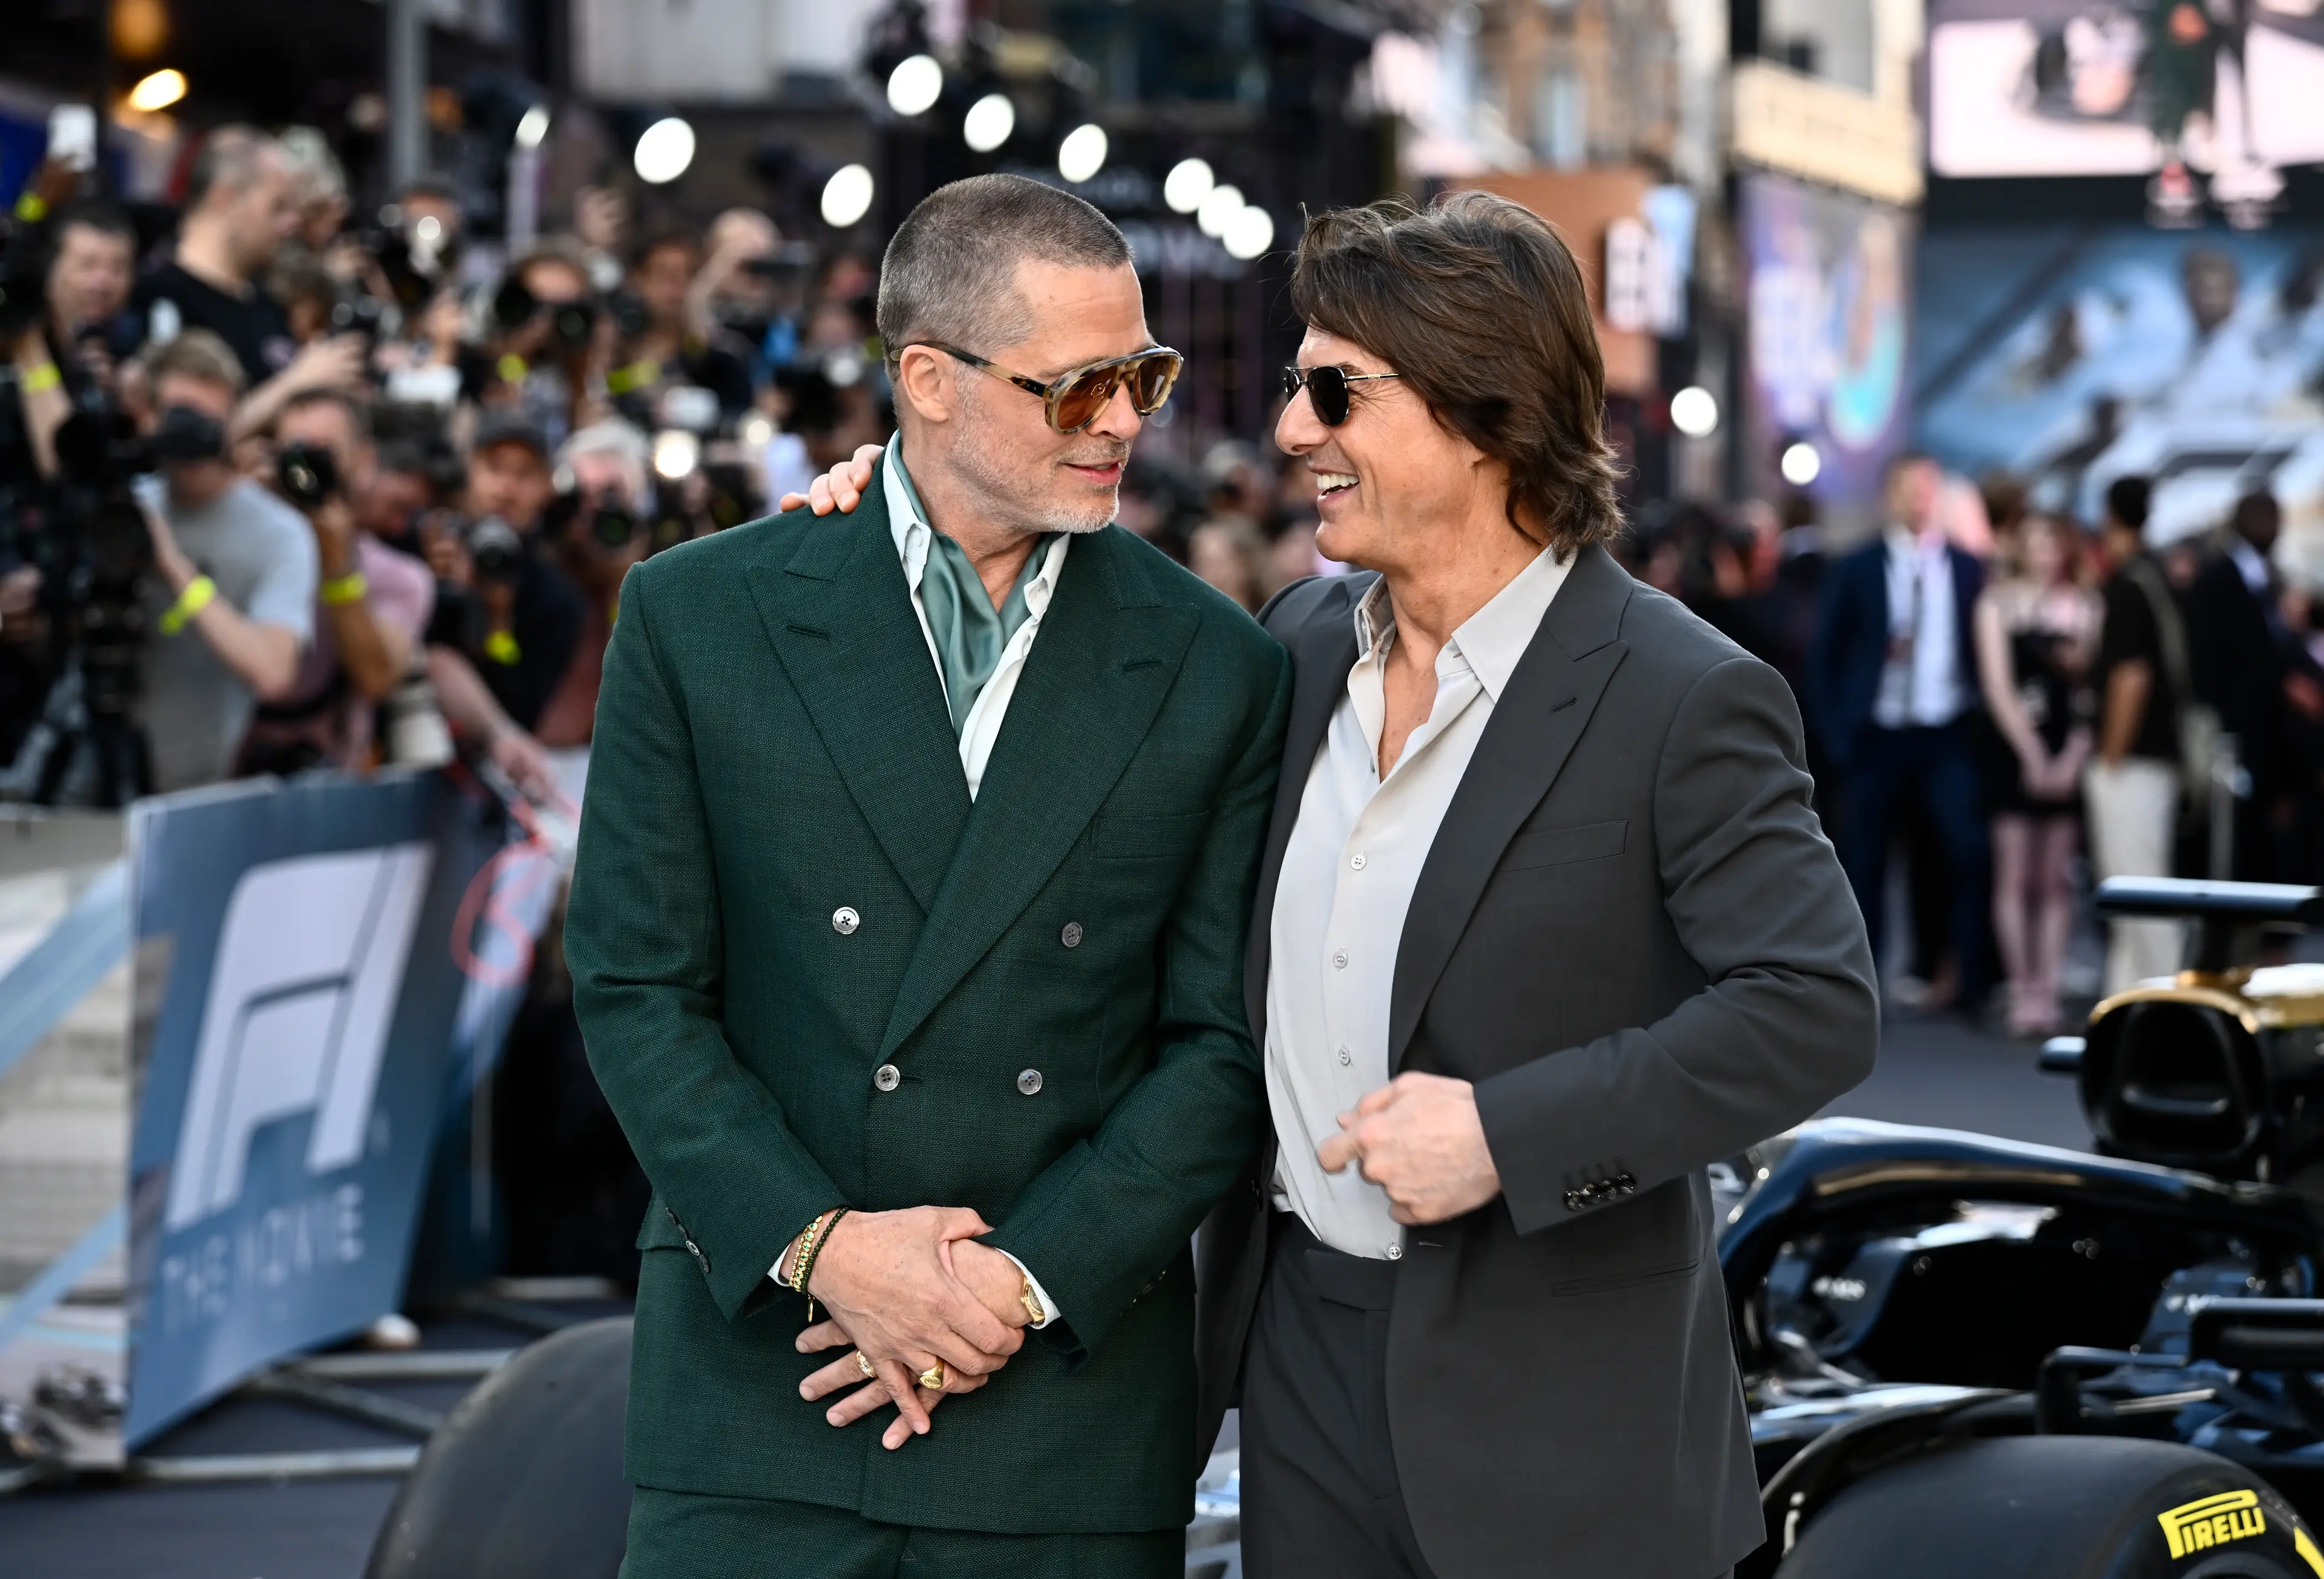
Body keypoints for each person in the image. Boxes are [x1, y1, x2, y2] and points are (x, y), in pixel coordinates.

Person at [791, 189, 1877, 1579]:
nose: (1293, 429)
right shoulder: (1298, 641)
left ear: (1481, 411)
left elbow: (1813, 1007)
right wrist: (895, 511)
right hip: (1295, 1360)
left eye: (1333, 390)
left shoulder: (1682, 696)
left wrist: (1507, 1131)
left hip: (1565, 1418)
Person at [564, 172, 1288, 1578]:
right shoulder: (696, 613)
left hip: (1055, 1411)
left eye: (1141, 375)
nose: (1126, 423)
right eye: (1076, 388)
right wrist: (828, 1247)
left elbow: (1221, 1040)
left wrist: (1005, 1285)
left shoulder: (1218, 663)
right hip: (759, 1389)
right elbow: (638, 986)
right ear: (929, 381)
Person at [1809, 451, 1992, 1010]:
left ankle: (1967, 980)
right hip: (1877, 736)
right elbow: (1825, 656)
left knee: (1964, 853)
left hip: (1945, 733)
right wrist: (1839, 735)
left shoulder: (1966, 568)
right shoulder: (1857, 566)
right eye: (1910, 490)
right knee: (1863, 862)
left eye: (1928, 490)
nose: (1920, 501)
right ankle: (1861, 988)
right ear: (1891, 495)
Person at [131, 330, 318, 793]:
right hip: (82, 767)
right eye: (179, 416)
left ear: (235, 418)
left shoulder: (280, 534)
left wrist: (174, 567)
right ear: (148, 416)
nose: (193, 434)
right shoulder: (124, 507)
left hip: (190, 784)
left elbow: (274, 672)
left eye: (208, 420)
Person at [236, 389, 435, 775]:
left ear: (364, 459)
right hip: (218, 775)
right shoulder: (238, 539)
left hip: (330, 779)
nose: (306, 472)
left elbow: (378, 678)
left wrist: (338, 568)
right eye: (294, 453)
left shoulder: (400, 578)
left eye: (324, 453)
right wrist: (233, 509)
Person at [134, 126, 364, 437]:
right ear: (224, 198)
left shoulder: (266, 299)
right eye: (278, 206)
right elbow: (172, 442)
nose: (292, 223)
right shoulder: (159, 298)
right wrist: (295, 383)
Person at [1974, 514, 2099, 1036]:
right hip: (2013, 748)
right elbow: (1997, 686)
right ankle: (2022, 987)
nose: (2047, 554)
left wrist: (2071, 753)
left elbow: (2090, 690)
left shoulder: (2086, 605)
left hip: (2066, 744)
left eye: (2055, 543)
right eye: (2037, 544)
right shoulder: (1996, 604)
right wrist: (2030, 752)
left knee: (2055, 877)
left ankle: (2047, 987)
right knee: (2015, 873)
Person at [2088, 475, 2188, 988]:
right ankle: (2129, 1015)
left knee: (2140, 898)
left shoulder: (2130, 585)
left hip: (2134, 765)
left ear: (2110, 514)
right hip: (2155, 760)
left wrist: (2110, 756)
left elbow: (2132, 676)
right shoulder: (2157, 576)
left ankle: (2167, 1019)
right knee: (2134, 903)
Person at [2190, 490, 2291, 880]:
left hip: (2258, 741)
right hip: (2232, 741)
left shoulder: (2262, 577)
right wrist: (2223, 731)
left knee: (2251, 855)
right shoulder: (2219, 576)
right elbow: (2211, 660)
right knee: (2226, 855)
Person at [531, 421, 651, 747]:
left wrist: (627, 581)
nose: (596, 511)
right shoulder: (533, 571)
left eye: (613, 495)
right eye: (583, 496)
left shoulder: (666, 574)